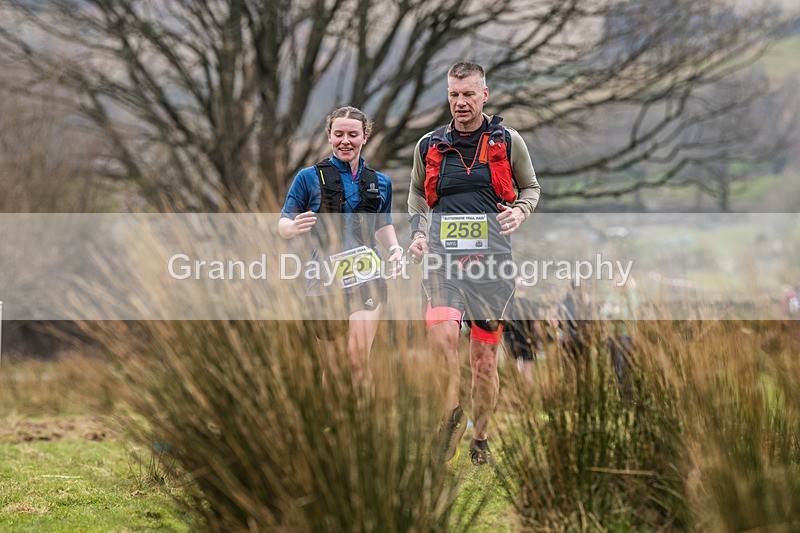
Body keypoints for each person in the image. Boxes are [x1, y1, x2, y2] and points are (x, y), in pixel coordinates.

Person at [407, 62, 540, 465]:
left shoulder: (508, 140)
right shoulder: (428, 145)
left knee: (483, 363)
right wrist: (417, 233)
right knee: (443, 337)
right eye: (453, 95)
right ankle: (450, 413)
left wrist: (520, 211)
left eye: (468, 94)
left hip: (492, 267)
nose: (460, 102)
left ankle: (480, 438)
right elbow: (416, 192)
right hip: (442, 262)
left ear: (484, 94)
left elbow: (530, 187)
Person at [279, 106, 403, 389]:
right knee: (333, 371)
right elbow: (283, 223)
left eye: (352, 134)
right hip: (324, 281)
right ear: (329, 136)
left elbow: (383, 225)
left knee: (357, 360)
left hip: (367, 277)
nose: (345, 141)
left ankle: (363, 431)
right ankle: (331, 429)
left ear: (365, 137)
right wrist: (293, 226)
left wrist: (395, 249)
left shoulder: (380, 182)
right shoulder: (308, 178)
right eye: (339, 134)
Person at [600, 274, 639, 401]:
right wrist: (614, 312)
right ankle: (621, 395)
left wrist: (615, 312)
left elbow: (628, 315)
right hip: (613, 337)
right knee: (615, 366)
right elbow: (603, 313)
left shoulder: (632, 296)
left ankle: (628, 397)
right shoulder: (612, 296)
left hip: (626, 336)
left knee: (624, 366)